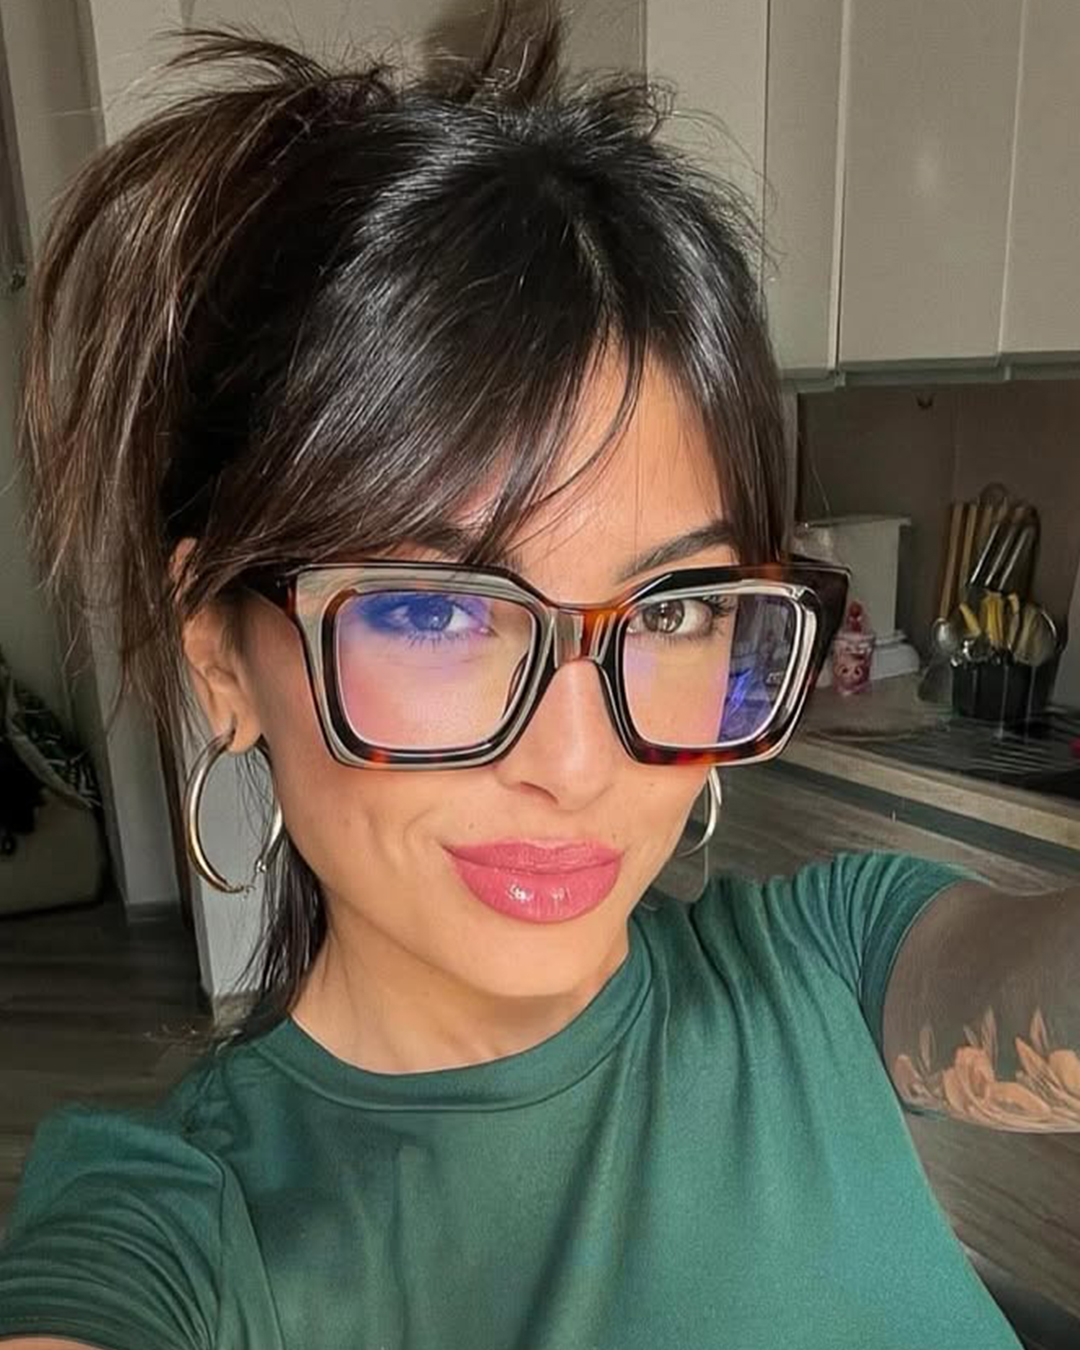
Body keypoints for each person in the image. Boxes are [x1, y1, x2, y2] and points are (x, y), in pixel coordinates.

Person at [1, 9, 1076, 1349]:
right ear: (220, 652)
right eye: (434, 611)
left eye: (677, 609)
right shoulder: (179, 1229)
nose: (576, 764)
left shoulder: (825, 960)